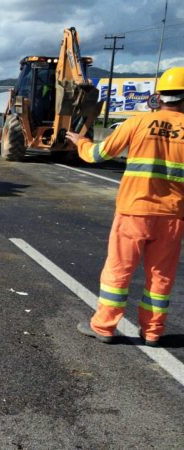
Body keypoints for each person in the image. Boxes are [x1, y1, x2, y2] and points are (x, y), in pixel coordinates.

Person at [65, 67, 184, 347]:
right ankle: (153, 332)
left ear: (159, 97)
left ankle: (104, 327)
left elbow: (97, 154)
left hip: (133, 212)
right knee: (161, 276)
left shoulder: (138, 123)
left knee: (119, 270)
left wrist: (81, 141)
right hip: (172, 216)